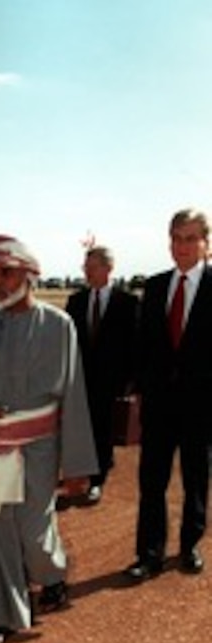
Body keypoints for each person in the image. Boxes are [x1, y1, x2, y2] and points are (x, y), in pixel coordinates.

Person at [0, 235, 97, 643]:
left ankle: (53, 574)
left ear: (31, 275)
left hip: (38, 448)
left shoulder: (59, 326)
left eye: (7, 272)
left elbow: (73, 396)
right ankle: (0, 615)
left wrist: (78, 464)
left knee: (33, 528)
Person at [125, 208, 212, 581]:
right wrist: (140, 389)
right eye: (177, 238)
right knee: (152, 481)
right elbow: (144, 345)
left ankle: (189, 544)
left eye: (191, 238)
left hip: (202, 406)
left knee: (196, 479)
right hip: (159, 405)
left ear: (207, 243)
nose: (183, 246)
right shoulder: (156, 286)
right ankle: (149, 553)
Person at [65, 246, 139, 502]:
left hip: (112, 380)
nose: (86, 271)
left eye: (92, 266)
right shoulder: (76, 301)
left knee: (104, 428)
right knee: (81, 427)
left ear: (108, 269)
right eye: (85, 267)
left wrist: (131, 380)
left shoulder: (128, 303)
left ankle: (97, 480)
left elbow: (135, 344)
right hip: (80, 379)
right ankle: (86, 468)